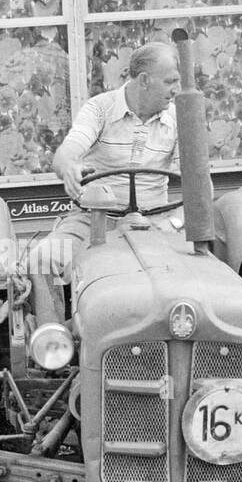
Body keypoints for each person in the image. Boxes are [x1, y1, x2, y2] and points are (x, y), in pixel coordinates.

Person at [25, 41, 183, 327]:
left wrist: (179, 218)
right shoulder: (100, 109)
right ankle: (54, 346)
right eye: (170, 81)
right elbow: (67, 153)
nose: (176, 89)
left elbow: (197, 178)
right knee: (42, 259)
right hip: (95, 219)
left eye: (178, 81)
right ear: (145, 80)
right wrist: (69, 167)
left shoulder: (179, 117)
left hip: (156, 222)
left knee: (198, 265)